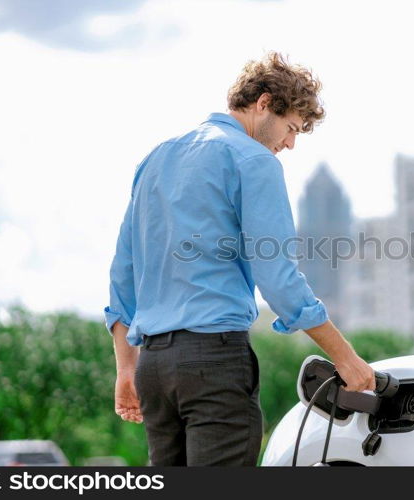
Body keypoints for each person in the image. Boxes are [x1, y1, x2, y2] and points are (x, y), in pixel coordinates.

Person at [104, 52, 376, 466]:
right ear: (264, 103)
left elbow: (123, 272)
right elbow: (279, 278)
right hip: (213, 364)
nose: (289, 143)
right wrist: (346, 358)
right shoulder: (253, 161)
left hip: (154, 369)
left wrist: (127, 367)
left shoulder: (156, 158)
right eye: (291, 128)